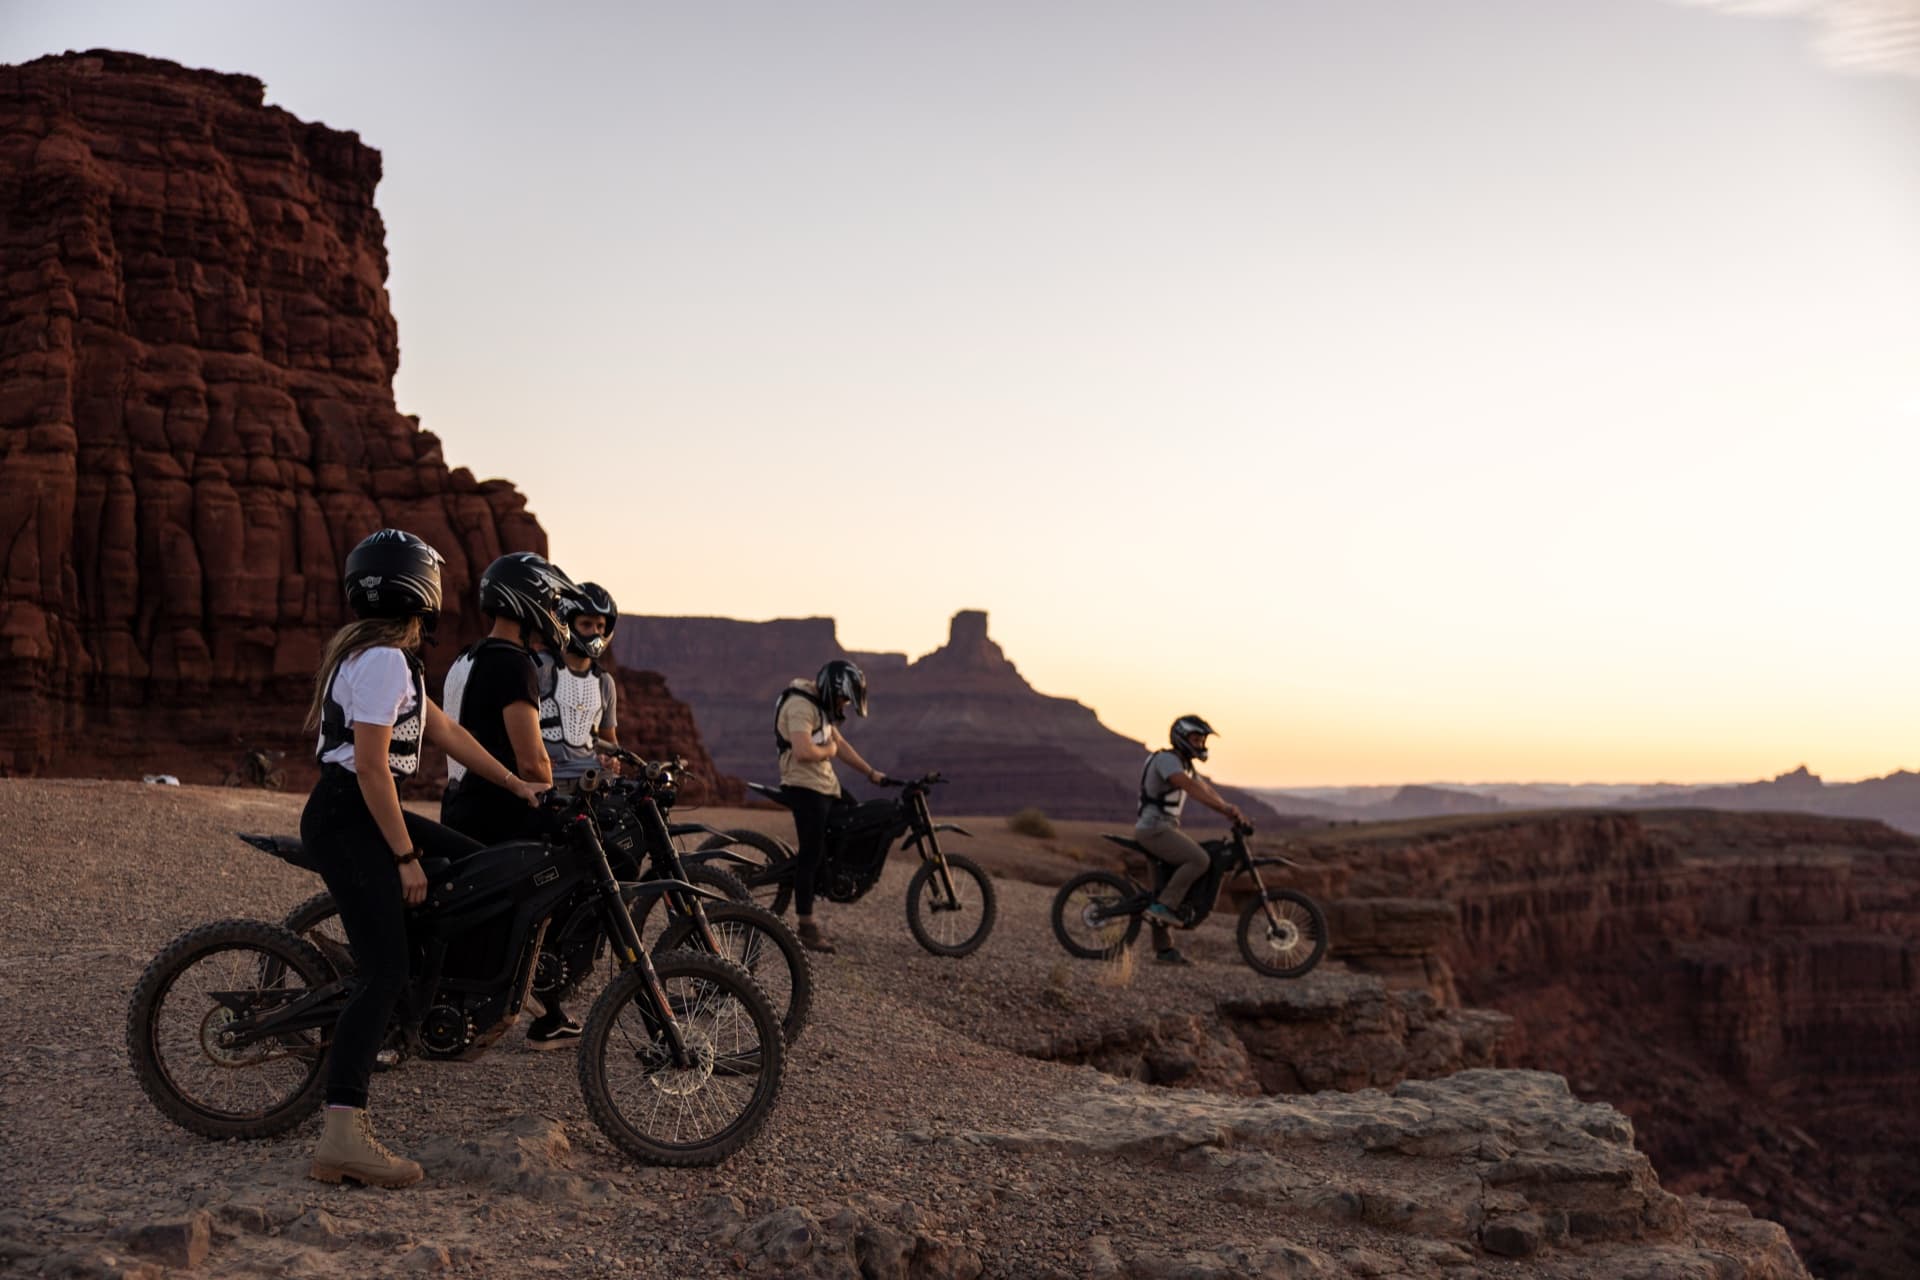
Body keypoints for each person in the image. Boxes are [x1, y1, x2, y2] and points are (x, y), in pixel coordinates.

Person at [300, 529, 544, 1188]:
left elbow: (448, 732)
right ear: (421, 590)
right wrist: (405, 856)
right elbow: (375, 769)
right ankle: (343, 1136)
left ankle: (422, 1002)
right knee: (381, 971)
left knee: (479, 871)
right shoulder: (382, 660)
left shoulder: (393, 657)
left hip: (360, 810)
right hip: (352, 817)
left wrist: (516, 784)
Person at [439, 550, 582, 1046]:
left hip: (460, 803)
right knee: (576, 870)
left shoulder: (467, 657)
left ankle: (537, 1002)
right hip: (497, 809)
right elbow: (531, 760)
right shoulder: (514, 664)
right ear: (532, 603)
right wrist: (556, 789)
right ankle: (549, 1004)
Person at [773, 659, 887, 953]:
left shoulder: (819, 706)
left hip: (825, 785)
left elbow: (841, 744)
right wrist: (829, 750)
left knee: (856, 820)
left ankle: (831, 876)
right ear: (831, 689)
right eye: (843, 698)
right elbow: (802, 750)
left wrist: (871, 773)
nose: (845, 704)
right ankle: (806, 928)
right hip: (804, 786)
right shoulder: (800, 707)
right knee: (811, 853)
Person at [1135, 714, 1247, 966]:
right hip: (1154, 830)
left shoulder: (1184, 764)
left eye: (1202, 739)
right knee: (1199, 859)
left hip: (1162, 829)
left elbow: (1205, 788)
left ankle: (1164, 950)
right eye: (1196, 738)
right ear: (1181, 737)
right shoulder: (1167, 760)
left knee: (1161, 889)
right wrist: (1224, 810)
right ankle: (1165, 908)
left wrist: (1229, 808)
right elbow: (1189, 787)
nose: (1200, 744)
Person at [536, 581, 621, 788]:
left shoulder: (604, 682)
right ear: (567, 622)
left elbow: (609, 742)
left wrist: (612, 760)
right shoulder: (540, 667)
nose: (595, 632)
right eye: (586, 624)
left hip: (592, 781)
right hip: (548, 779)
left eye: (600, 626)